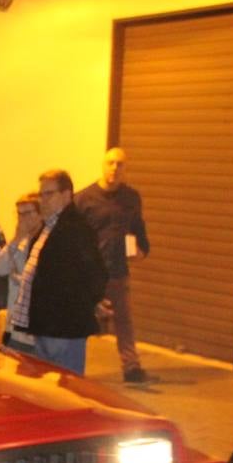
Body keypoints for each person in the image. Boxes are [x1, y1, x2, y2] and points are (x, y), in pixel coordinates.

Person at [8, 170, 107, 375]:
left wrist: (87, 303)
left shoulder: (75, 229)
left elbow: (94, 272)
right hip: (46, 325)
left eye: (49, 194)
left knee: (68, 387)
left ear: (66, 194)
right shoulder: (48, 227)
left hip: (64, 326)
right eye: (41, 194)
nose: (42, 200)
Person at [75, 147, 154, 384]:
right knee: (79, 319)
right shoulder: (84, 199)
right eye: (110, 163)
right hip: (90, 274)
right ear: (103, 165)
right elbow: (75, 235)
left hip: (118, 271)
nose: (114, 169)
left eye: (120, 164)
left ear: (125, 169)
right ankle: (72, 366)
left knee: (124, 320)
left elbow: (138, 227)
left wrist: (143, 248)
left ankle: (131, 367)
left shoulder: (131, 198)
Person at [0, 192, 42, 351]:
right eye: (19, 213)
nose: (22, 218)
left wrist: (19, 278)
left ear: (41, 214)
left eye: (27, 213)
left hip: (35, 328)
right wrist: (15, 240)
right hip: (14, 325)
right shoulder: (20, 242)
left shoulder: (45, 242)